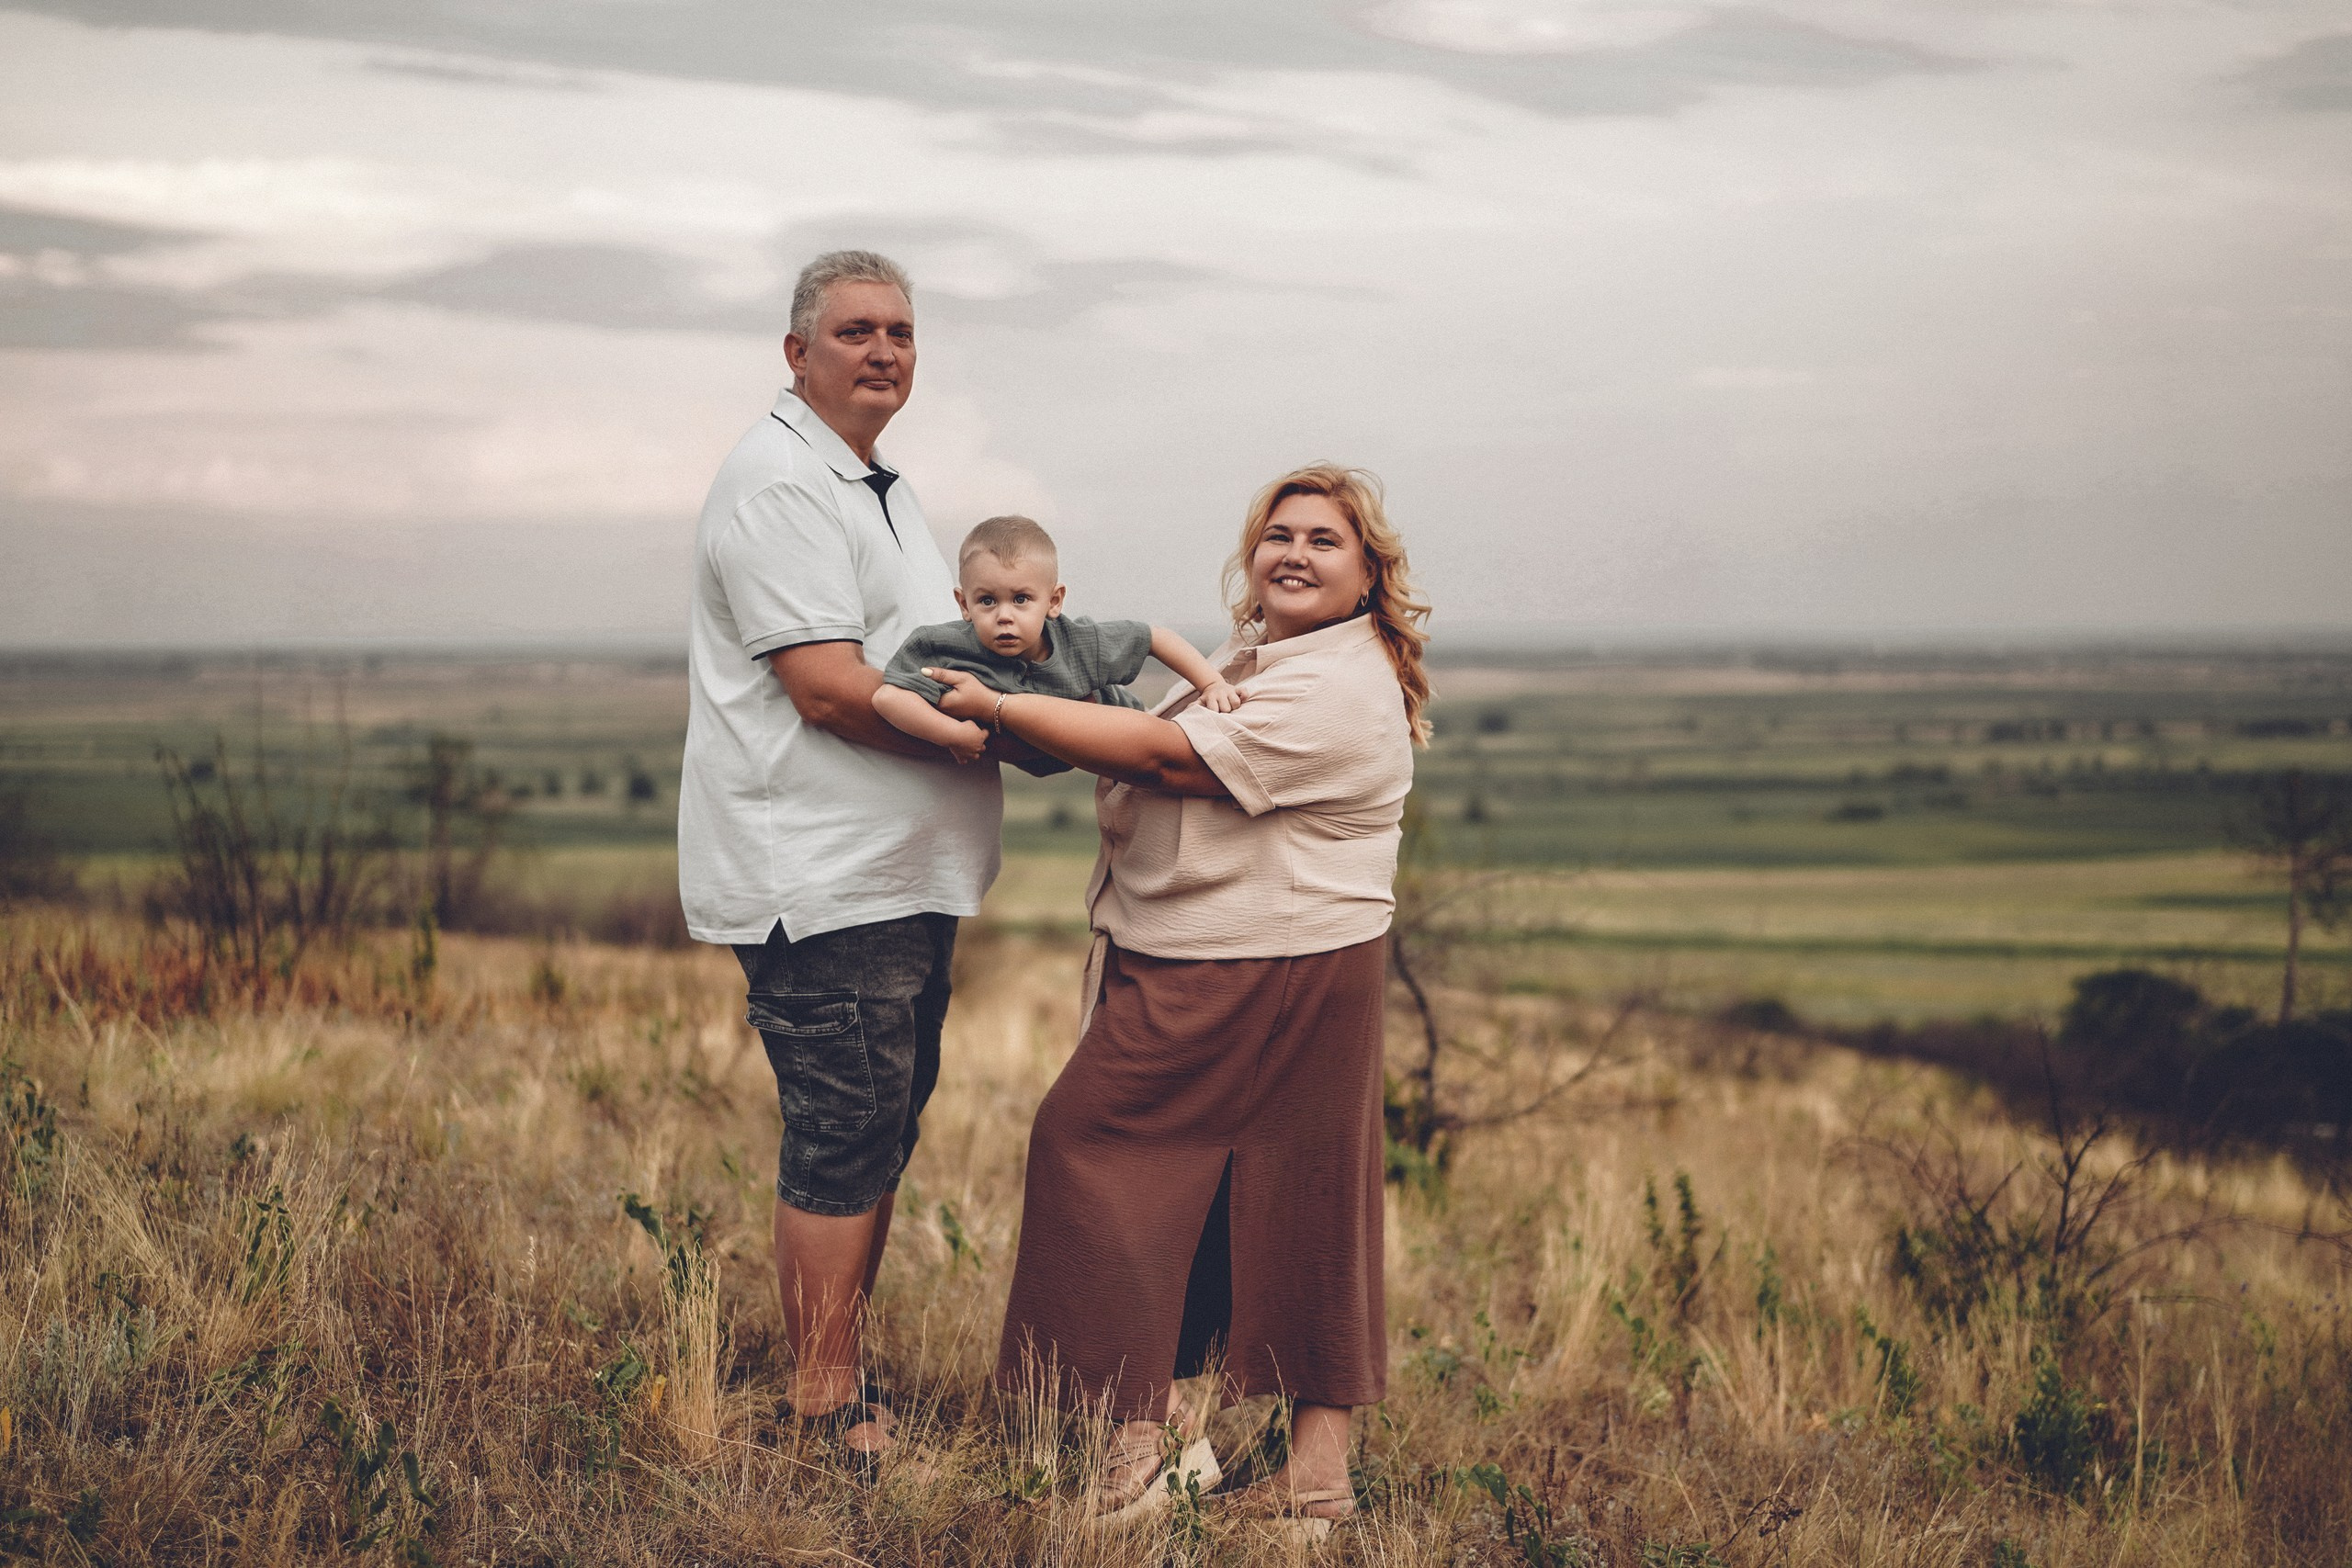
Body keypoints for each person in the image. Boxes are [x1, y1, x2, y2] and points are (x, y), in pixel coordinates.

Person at [931, 464, 1430, 1541]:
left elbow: (1164, 755)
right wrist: (1003, 715)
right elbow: (1124, 739)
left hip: (1261, 965)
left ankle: (1141, 1453)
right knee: (1286, 1198)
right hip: (1232, 955)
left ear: (1367, 573)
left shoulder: (1341, 683)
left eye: (1323, 540)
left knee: (1094, 1142)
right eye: (1277, 535)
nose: (1292, 553)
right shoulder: (1265, 659)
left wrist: (1007, 704)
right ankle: (1304, 1481)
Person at [677, 249, 1038, 1467]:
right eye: (854, 332)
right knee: (843, 1132)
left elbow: (919, 647)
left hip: (895, 873)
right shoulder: (782, 484)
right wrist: (998, 730)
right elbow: (829, 687)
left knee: (880, 1126)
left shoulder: (874, 483)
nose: (883, 351)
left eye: (899, 331)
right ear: (797, 353)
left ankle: (844, 1370)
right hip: (823, 878)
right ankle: (824, 1406)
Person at [871, 513, 1245, 761]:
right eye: (986, 600)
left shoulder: (1081, 642)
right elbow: (888, 697)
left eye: (1021, 599)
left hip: (1123, 734)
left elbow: (1153, 637)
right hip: (1050, 754)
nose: (1004, 616)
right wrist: (950, 734)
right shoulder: (943, 647)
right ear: (963, 605)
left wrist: (1211, 683)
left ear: (1053, 601)